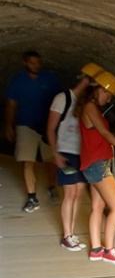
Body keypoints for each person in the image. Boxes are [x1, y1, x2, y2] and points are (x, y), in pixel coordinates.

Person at [74, 71, 115, 265]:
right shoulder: (90, 107)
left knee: (98, 206)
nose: (109, 99)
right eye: (108, 94)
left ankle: (96, 250)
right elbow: (104, 133)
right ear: (99, 89)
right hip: (97, 164)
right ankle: (109, 250)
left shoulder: (90, 107)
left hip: (93, 163)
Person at [46, 63, 104, 251]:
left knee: (78, 192)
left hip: (82, 153)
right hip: (66, 151)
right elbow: (50, 128)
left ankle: (71, 234)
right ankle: (67, 236)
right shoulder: (62, 99)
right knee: (70, 193)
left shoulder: (86, 103)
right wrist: (55, 153)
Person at [5, 50, 61, 212]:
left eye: (37, 63)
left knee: (50, 160)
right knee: (27, 160)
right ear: (25, 63)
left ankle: (52, 187)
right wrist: (9, 125)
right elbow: (11, 105)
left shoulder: (50, 79)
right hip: (25, 125)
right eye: (32, 63)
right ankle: (32, 197)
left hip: (47, 126)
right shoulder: (17, 81)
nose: (35, 66)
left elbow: (59, 102)